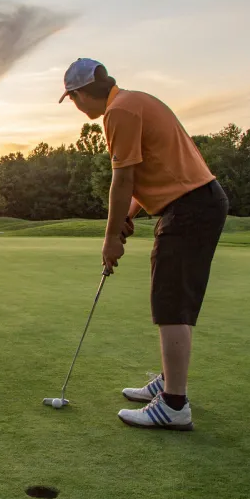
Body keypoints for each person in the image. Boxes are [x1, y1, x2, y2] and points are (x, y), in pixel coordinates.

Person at [58, 58, 228, 431]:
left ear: (84, 92)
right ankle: (170, 382)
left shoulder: (118, 113)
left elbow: (122, 180)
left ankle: (173, 404)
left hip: (190, 208)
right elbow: (150, 173)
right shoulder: (135, 101)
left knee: (170, 303)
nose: (76, 106)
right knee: (171, 299)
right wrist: (132, 213)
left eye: (72, 99)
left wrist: (110, 239)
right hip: (195, 203)